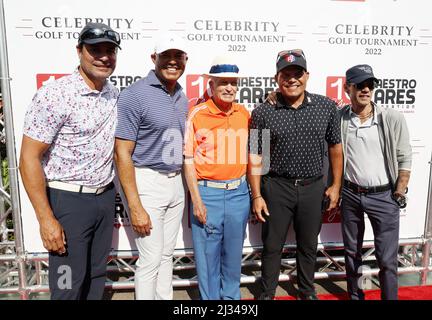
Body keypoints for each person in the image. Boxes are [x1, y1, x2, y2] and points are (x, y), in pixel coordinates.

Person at [19, 22, 121, 300]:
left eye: (109, 50)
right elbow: (28, 158)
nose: (103, 56)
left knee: (96, 278)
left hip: (104, 198)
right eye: (95, 49)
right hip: (68, 201)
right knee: (66, 285)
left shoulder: (113, 94)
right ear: (79, 51)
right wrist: (45, 218)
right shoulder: (55, 95)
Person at [248, 49, 343, 300]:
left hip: (313, 187)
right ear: (276, 78)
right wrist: (257, 195)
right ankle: (267, 293)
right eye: (285, 74)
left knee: (309, 246)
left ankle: (307, 291)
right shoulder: (263, 112)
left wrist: (335, 185)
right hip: (276, 187)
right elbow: (257, 156)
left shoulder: (326, 107)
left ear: (307, 76)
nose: (292, 79)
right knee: (271, 247)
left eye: (297, 74)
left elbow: (335, 148)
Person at [114, 35, 188, 300]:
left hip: (175, 182)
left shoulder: (181, 94)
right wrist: (134, 205)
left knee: (167, 255)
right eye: (166, 56)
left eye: (177, 56)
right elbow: (122, 151)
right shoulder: (134, 95)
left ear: (185, 60)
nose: (172, 62)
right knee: (150, 259)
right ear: (153, 58)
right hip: (146, 181)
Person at [340, 64, 412, 300]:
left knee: (387, 259)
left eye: (369, 85)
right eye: (359, 85)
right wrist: (274, 95)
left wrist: (399, 191)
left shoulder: (391, 117)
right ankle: (356, 295)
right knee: (352, 253)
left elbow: (405, 157)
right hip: (350, 194)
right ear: (346, 88)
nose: (365, 89)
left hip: (384, 196)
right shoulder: (339, 117)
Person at [184, 56, 250, 300]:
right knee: (208, 260)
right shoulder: (196, 114)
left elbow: (257, 152)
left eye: (233, 83)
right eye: (223, 83)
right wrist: (197, 200)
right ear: (210, 86)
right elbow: (187, 160)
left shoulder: (245, 113)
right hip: (207, 194)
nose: (229, 88)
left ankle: (231, 301)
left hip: (239, 194)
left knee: (233, 256)